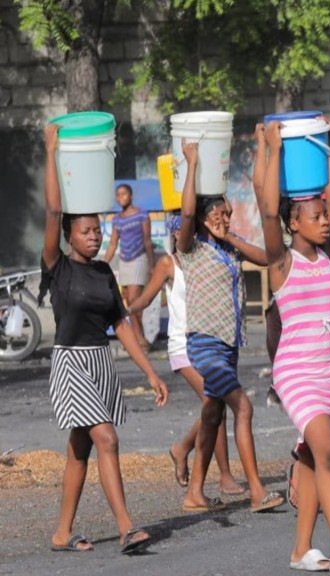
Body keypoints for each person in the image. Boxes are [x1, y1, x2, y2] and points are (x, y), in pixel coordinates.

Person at [41, 123, 168, 555]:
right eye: (86, 231)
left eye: (98, 231)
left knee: (80, 448)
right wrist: (52, 152)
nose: (94, 236)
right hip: (71, 363)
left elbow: (123, 326)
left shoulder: (104, 273)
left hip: (100, 363)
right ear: (69, 237)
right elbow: (53, 211)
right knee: (107, 439)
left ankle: (61, 531)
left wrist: (151, 372)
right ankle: (127, 526)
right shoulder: (57, 267)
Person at [256, 120, 330, 572]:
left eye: (326, 215)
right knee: (327, 451)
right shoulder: (282, 261)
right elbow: (265, 210)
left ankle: (301, 550)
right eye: (317, 216)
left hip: (329, 368)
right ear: (294, 222)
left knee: (311, 453)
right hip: (295, 371)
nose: (325, 221)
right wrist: (273, 149)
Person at [176, 140, 284, 515]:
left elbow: (272, 258)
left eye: (229, 212)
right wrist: (192, 165)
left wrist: (232, 236)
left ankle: (193, 492)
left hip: (228, 346)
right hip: (205, 345)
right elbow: (187, 213)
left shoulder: (228, 248)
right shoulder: (189, 248)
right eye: (220, 214)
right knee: (243, 407)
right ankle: (257, 491)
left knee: (213, 413)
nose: (226, 218)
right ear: (204, 219)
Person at [126, 213, 244, 496]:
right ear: (176, 235)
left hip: (212, 340)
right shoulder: (169, 263)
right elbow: (144, 300)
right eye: (182, 232)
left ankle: (193, 456)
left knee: (216, 405)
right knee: (214, 401)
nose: (187, 236)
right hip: (182, 345)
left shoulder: (207, 259)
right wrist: (124, 310)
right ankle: (211, 468)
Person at [104, 183, 154, 349]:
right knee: (128, 301)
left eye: (123, 194)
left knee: (133, 301)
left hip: (139, 259)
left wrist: (152, 265)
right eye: (118, 195)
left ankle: (139, 340)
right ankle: (138, 338)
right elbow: (112, 244)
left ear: (130, 196)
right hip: (124, 261)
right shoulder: (117, 220)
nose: (120, 198)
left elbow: (147, 241)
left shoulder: (142, 215)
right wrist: (103, 264)